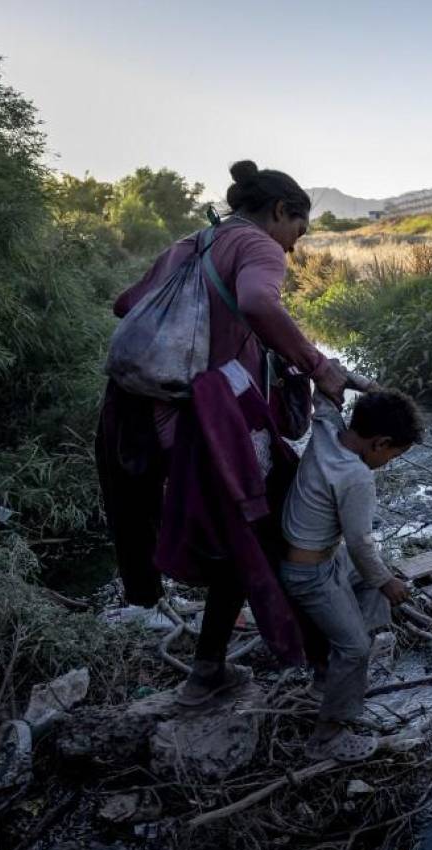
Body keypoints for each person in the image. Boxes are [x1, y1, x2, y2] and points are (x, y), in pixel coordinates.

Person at [96, 160, 350, 706]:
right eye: (297, 233)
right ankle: (329, 667)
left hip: (131, 418)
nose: (292, 251)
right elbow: (260, 302)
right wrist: (316, 365)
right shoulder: (256, 245)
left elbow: (126, 303)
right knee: (276, 525)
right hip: (196, 425)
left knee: (242, 535)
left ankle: (208, 670)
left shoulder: (194, 241)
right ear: (281, 212)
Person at [279, 386, 423, 761]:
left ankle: (345, 664)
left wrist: (376, 395)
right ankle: (328, 737)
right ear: (380, 443)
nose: (389, 462)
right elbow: (359, 544)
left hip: (322, 557)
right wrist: (388, 583)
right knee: (356, 646)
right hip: (309, 573)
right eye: (394, 454)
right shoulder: (357, 477)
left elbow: (327, 380)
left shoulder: (327, 427)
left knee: (373, 581)